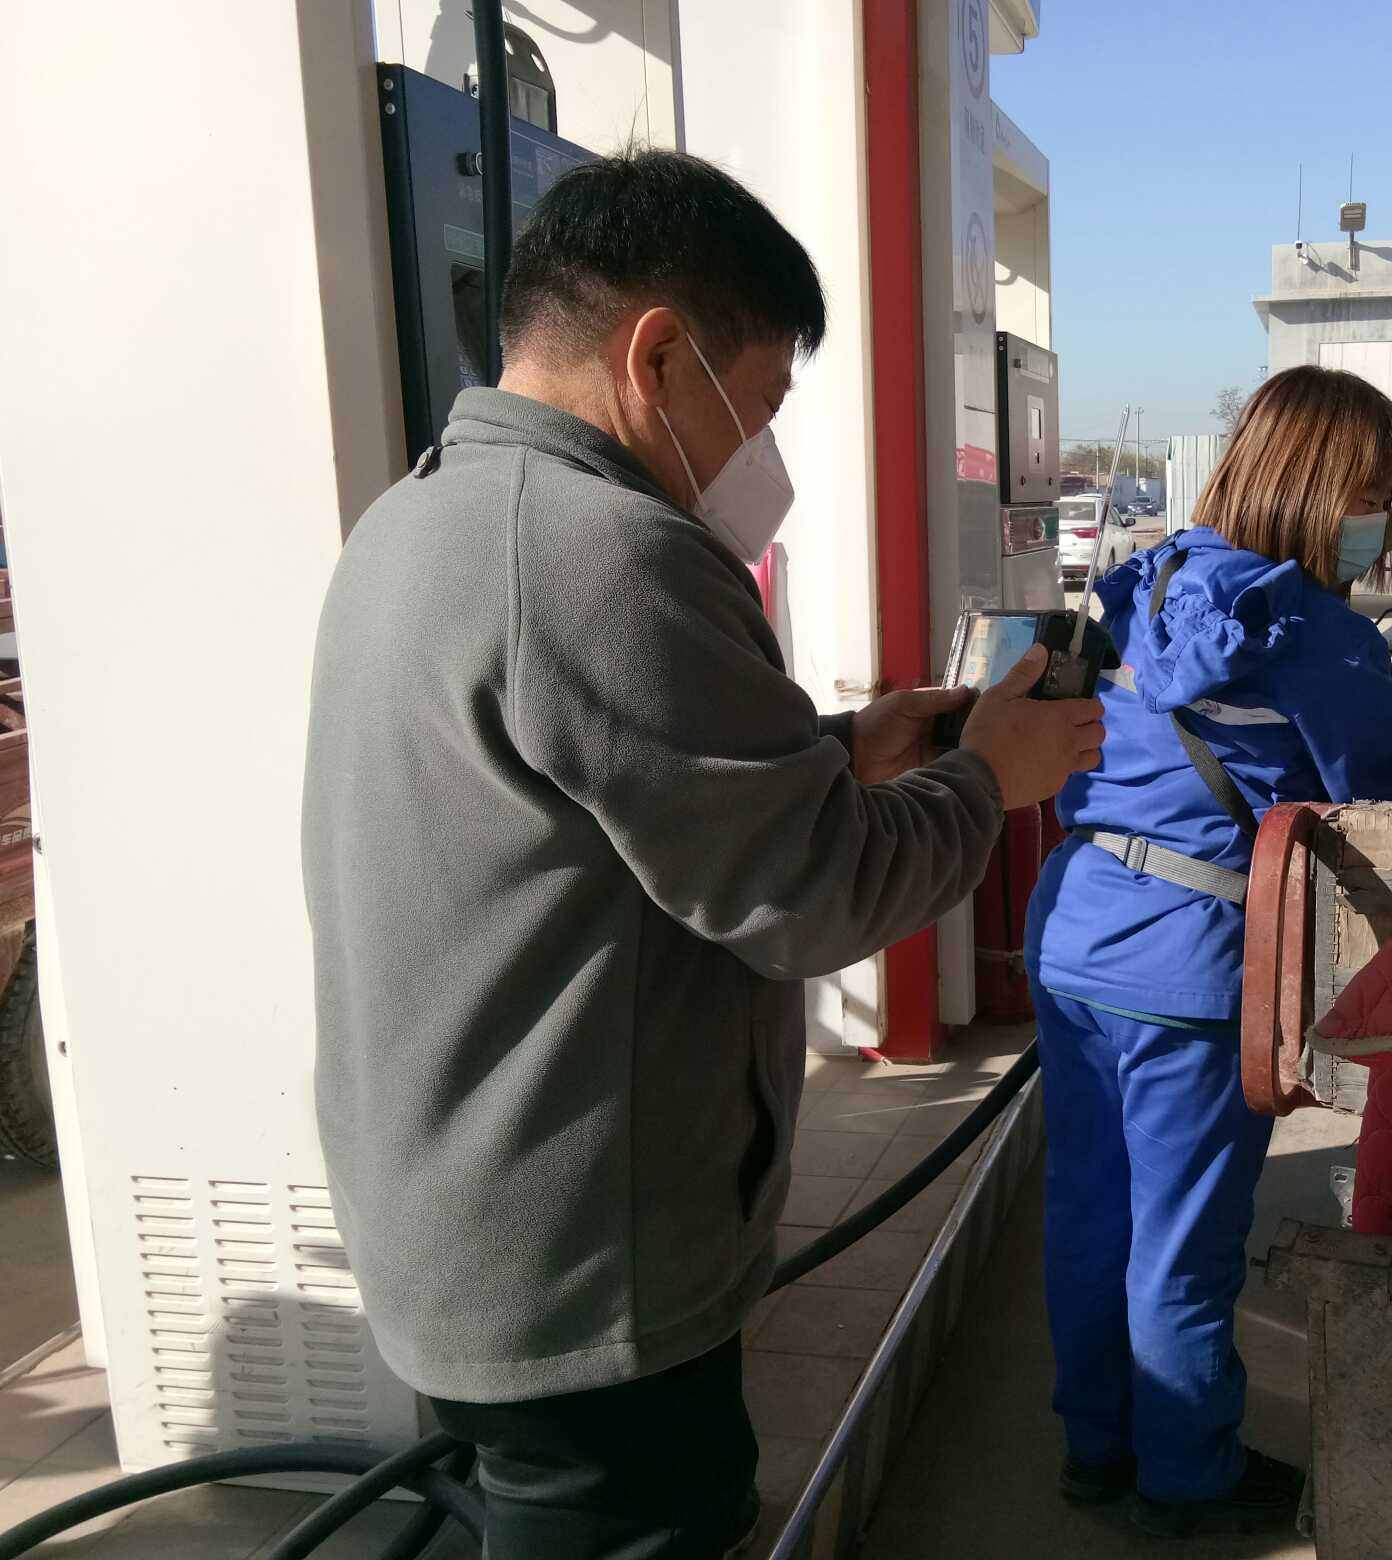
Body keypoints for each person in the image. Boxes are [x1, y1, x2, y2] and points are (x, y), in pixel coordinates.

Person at [301, 150, 1103, 1560]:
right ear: (660, 356)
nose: (762, 450)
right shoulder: (610, 552)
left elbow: (585, 797)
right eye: (764, 402)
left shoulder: (420, 515)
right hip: (582, 1275)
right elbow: (817, 896)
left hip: (463, 1222)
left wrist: (843, 748)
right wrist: (991, 779)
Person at [1024, 366, 1392, 1537]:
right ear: (1324, 489)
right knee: (1183, 1241)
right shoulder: (1311, 629)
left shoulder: (1151, 578)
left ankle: (1096, 1447)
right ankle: (1187, 1478)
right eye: (1377, 496)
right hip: (1189, 959)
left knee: (1090, 1209)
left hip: (1076, 928)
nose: (1382, 522)